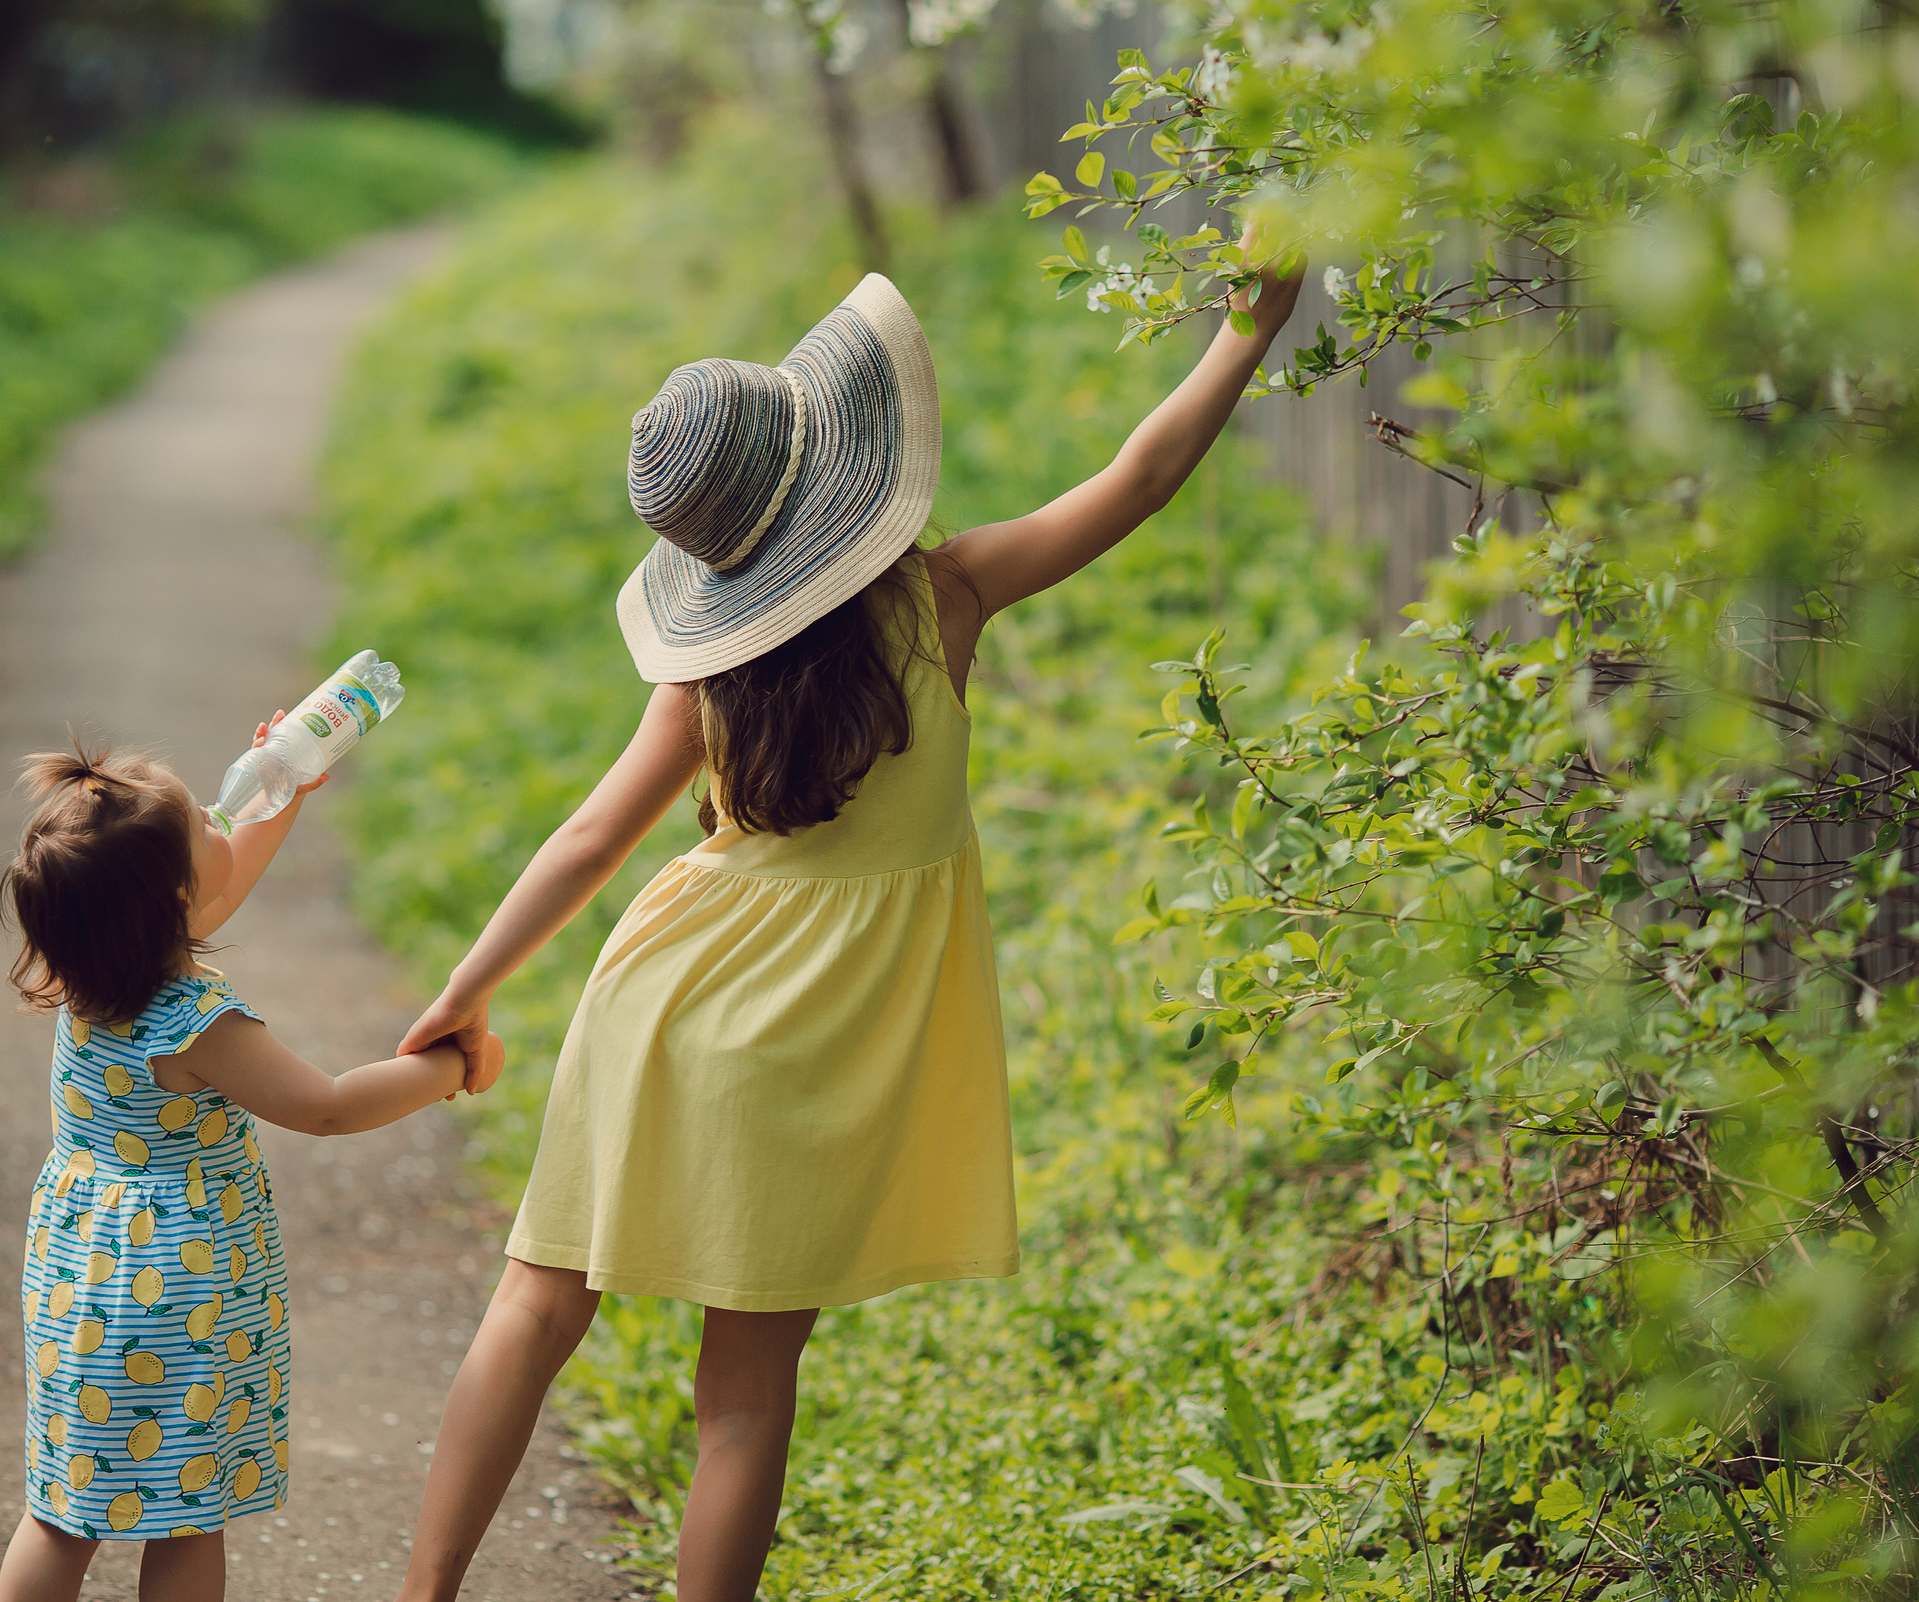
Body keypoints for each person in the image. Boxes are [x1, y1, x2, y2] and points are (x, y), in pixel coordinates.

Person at [390, 236, 1303, 1602]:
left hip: (662, 997)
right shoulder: (948, 597)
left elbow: (590, 836)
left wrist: (465, 990)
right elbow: (1141, 476)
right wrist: (1246, 327)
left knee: (535, 1305)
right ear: (839, 482)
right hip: (811, 1048)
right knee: (744, 1399)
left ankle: (423, 1590)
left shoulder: (711, 672)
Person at [0, 722, 492, 1602]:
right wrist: (446, 1068)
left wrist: (283, 795)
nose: (225, 827)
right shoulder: (195, 1022)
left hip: (80, 1275)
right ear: (173, 897)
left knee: (64, 1508)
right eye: (206, 830)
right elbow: (327, 1105)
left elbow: (208, 895)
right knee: (184, 1513)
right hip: (174, 1290)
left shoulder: (93, 972)